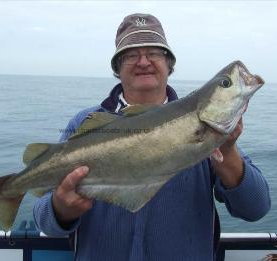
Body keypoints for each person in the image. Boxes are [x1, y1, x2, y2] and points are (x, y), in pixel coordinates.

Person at [33, 13, 271, 260]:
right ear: (117, 67)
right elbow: (44, 221)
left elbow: (256, 208)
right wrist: (60, 210)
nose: (144, 61)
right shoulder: (84, 123)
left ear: (169, 64)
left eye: (155, 53)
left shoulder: (210, 133)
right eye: (131, 54)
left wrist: (228, 149)